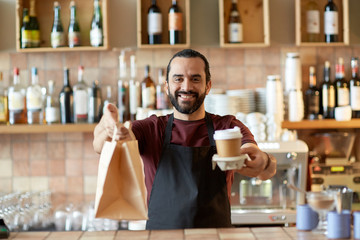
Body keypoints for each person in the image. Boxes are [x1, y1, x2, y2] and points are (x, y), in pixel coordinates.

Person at [93, 49, 276, 230]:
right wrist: (109, 127)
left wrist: (264, 161)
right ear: (167, 86)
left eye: (195, 79)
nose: (186, 87)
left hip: (216, 237)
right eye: (178, 79)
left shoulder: (227, 127)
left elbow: (265, 168)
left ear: (208, 86)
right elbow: (100, 145)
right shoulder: (151, 128)